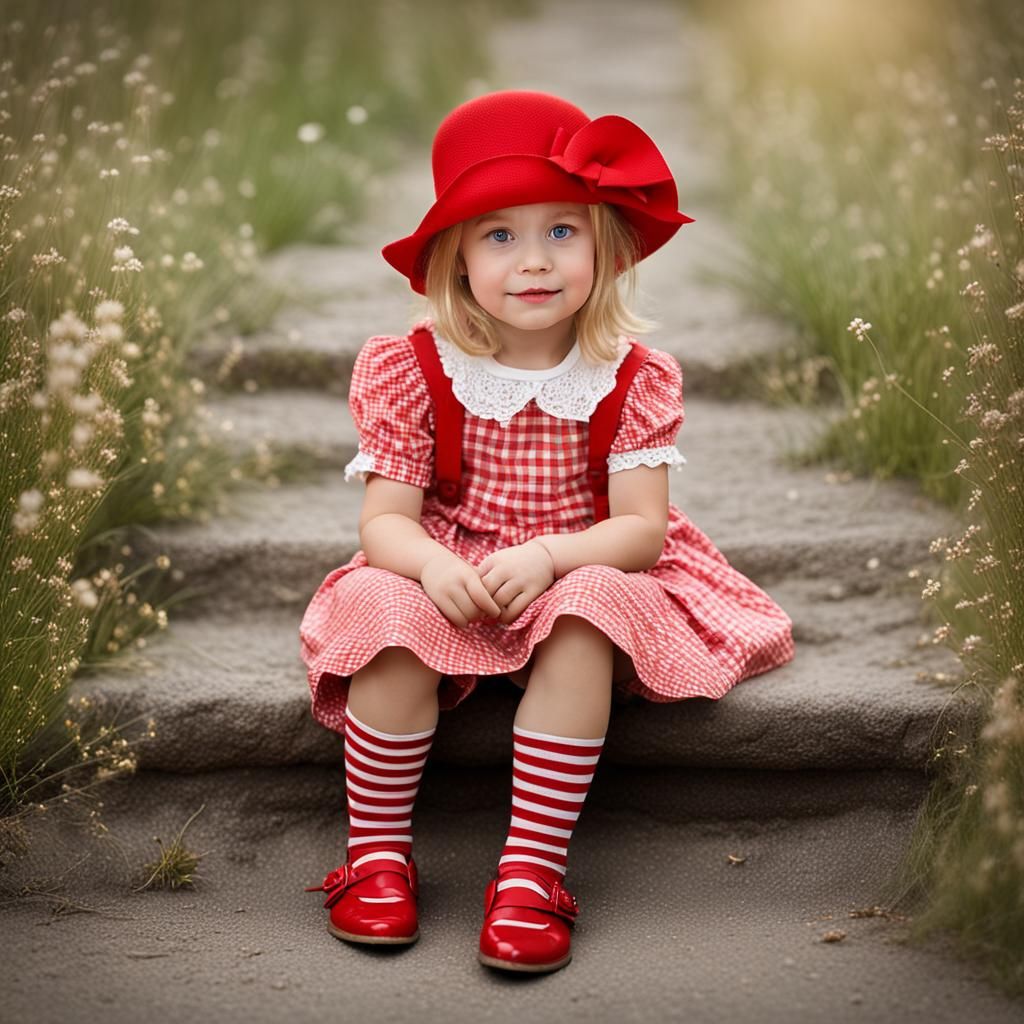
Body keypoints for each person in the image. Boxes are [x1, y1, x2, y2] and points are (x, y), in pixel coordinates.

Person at [300, 90, 795, 973]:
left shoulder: (632, 375)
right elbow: (385, 524)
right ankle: (376, 857)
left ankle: (531, 872)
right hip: (446, 562)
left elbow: (641, 531)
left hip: (580, 559)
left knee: (596, 602)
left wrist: (554, 554)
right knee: (381, 600)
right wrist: (429, 563)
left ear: (605, 248)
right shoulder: (410, 367)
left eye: (562, 232)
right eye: (500, 236)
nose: (534, 262)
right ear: (455, 261)